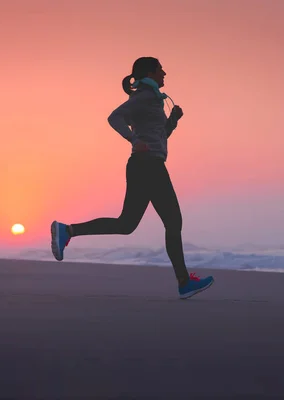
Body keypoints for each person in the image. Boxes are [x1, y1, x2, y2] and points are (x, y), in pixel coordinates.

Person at [50, 57, 214, 299]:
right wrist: (134, 141)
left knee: (127, 224)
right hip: (148, 167)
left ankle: (68, 230)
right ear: (150, 72)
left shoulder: (153, 100)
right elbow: (114, 117)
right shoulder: (145, 96)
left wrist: (172, 122)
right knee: (173, 221)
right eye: (161, 69)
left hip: (146, 165)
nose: (165, 73)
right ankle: (183, 282)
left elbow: (157, 137)